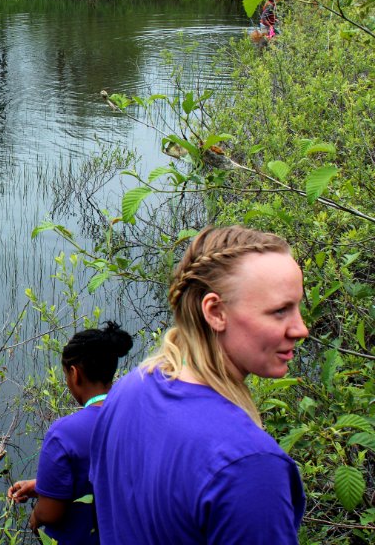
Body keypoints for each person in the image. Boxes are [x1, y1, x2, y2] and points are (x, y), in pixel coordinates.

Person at [89, 226, 308, 544]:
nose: (301, 328)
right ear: (215, 312)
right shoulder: (250, 466)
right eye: (280, 311)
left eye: (297, 306)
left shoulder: (128, 391)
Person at [8, 321, 133, 545]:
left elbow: (51, 512)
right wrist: (40, 486)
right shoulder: (136, 417)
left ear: (75, 374)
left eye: (65, 375)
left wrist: (36, 515)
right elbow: (104, 474)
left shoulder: (63, 433)